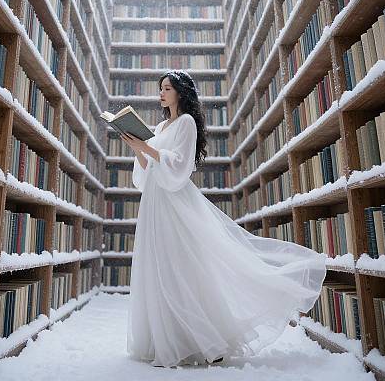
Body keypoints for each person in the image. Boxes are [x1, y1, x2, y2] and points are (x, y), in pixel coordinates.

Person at [121, 69, 327, 369]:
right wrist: (137, 149)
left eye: (167, 88)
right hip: (154, 200)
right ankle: (169, 339)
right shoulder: (161, 125)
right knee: (157, 265)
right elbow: (147, 169)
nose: (161, 93)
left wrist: (147, 148)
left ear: (181, 92)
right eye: (160, 88)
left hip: (173, 202)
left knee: (179, 267)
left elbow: (181, 166)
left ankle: (208, 341)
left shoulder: (186, 122)